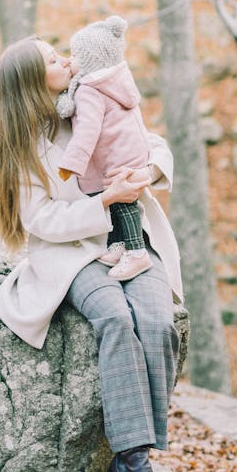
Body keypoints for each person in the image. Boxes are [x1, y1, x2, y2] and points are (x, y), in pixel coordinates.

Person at [0, 35, 184, 472]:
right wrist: (105, 203)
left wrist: (147, 173)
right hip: (72, 254)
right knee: (115, 319)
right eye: (54, 61)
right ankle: (136, 462)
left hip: (131, 239)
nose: (67, 60)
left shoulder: (92, 95)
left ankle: (127, 468)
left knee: (158, 323)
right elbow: (42, 222)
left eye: (61, 53)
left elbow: (150, 141)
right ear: (35, 84)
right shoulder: (25, 145)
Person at [56, 15, 152, 283]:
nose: (69, 60)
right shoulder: (115, 81)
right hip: (130, 151)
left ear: (90, 61)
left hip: (118, 158)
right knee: (116, 200)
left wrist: (71, 164)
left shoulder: (89, 91)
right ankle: (119, 243)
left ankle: (136, 251)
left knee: (121, 202)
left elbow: (87, 131)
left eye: (75, 55)